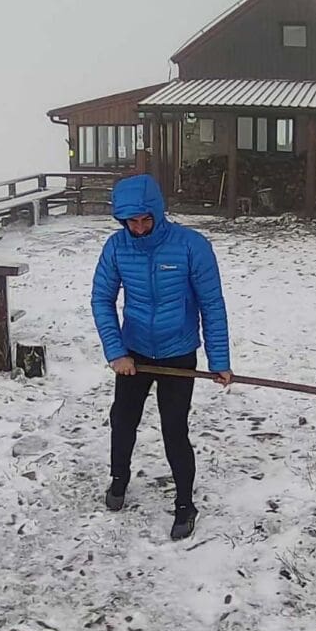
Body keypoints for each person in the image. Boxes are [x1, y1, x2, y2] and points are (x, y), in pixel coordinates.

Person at [90, 173, 232, 540]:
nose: (138, 228)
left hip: (178, 352)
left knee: (174, 429)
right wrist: (116, 351)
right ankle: (118, 481)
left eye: (144, 219)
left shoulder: (191, 246)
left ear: (158, 212)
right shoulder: (116, 247)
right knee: (122, 420)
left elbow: (212, 305)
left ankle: (185, 505)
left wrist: (219, 361)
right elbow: (101, 300)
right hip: (133, 353)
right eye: (130, 221)